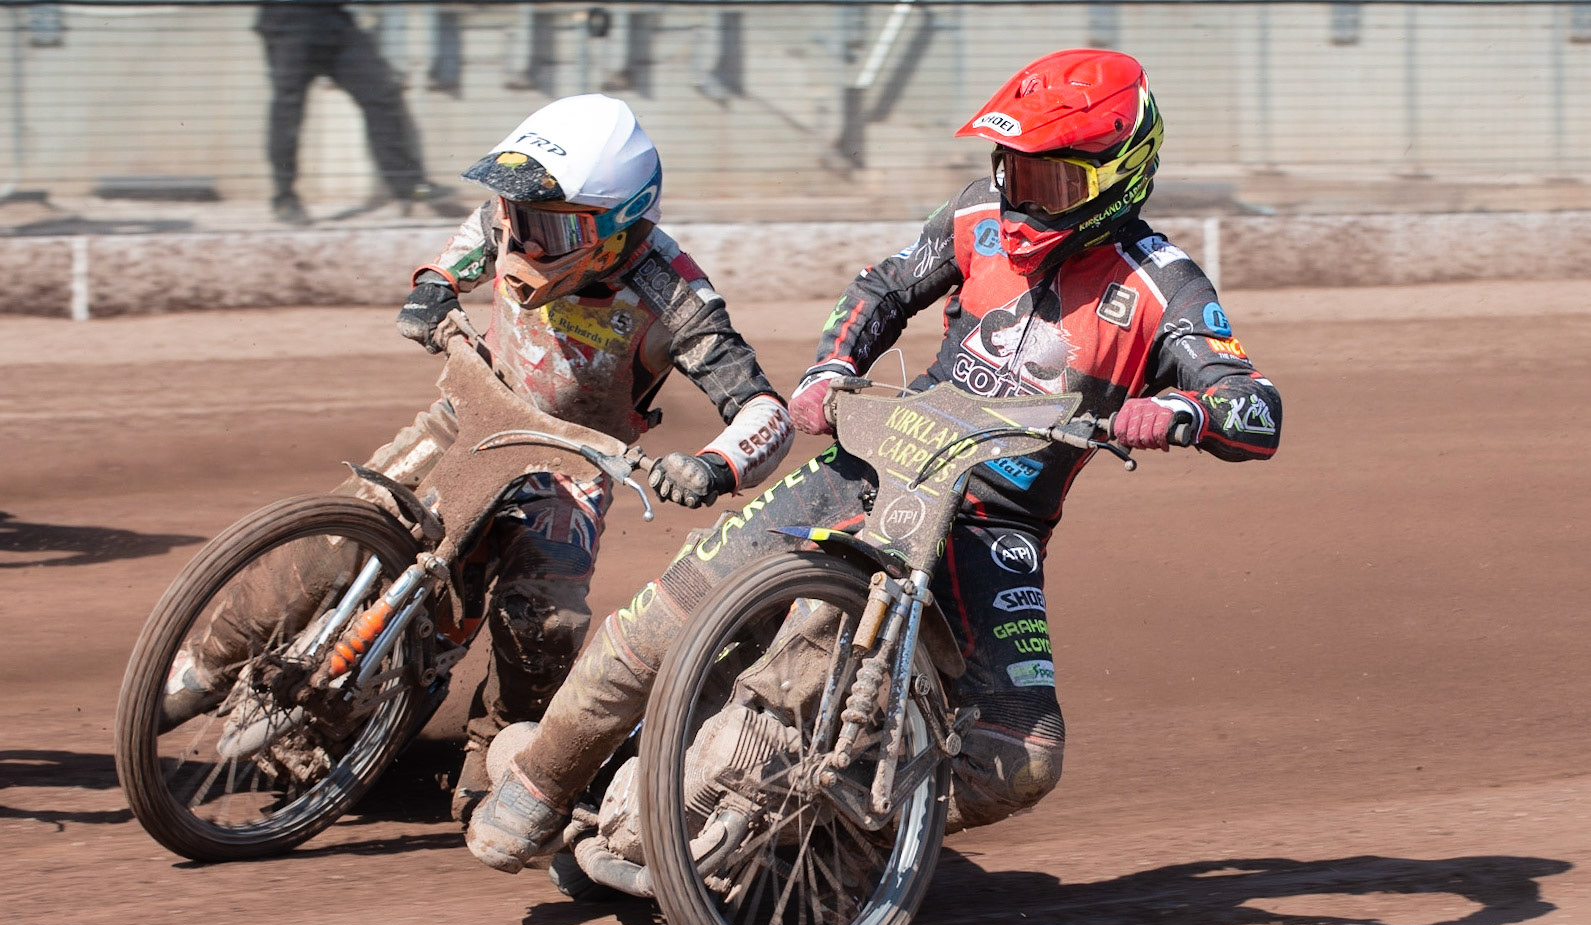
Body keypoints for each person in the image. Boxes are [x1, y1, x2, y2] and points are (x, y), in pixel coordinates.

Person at [465, 49, 1282, 876]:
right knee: (669, 608)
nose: (1023, 197)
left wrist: (1182, 409)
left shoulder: (1162, 286)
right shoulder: (976, 216)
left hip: (992, 523)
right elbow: (881, 289)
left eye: (1052, 182)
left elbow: (1253, 404)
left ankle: (820, 843)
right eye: (1012, 170)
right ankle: (538, 783)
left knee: (1023, 756)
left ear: (1119, 174)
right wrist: (829, 370)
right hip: (873, 461)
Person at [165, 94, 795, 825]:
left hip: (570, 467)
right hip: (468, 415)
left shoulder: (676, 299)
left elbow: (764, 410)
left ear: (619, 229)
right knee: (342, 533)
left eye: (549, 226)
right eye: (516, 217)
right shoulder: (510, 224)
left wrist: (714, 465)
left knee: (545, 614)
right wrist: (436, 284)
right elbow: (480, 228)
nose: (521, 241)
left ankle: (496, 751)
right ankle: (201, 668)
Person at [255, 2, 459, 225]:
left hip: (335, 21)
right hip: (288, 20)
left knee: (382, 95)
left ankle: (410, 186)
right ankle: (284, 199)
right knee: (288, 109)